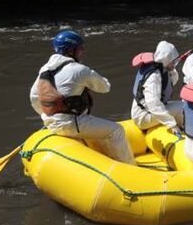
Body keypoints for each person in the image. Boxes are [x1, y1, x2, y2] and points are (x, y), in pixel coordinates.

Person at [30, 29, 135, 165]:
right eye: (80, 48)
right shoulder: (79, 69)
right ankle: (130, 166)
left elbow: (34, 98)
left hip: (50, 122)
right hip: (70, 124)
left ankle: (110, 159)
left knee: (99, 129)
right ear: (70, 50)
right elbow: (105, 88)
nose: (83, 51)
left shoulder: (45, 70)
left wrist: (50, 117)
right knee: (116, 130)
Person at [130, 40, 184, 134]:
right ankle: (182, 131)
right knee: (182, 107)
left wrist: (171, 70)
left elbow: (172, 82)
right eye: (173, 61)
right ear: (167, 59)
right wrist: (172, 124)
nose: (175, 64)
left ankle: (181, 127)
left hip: (146, 111)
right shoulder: (154, 76)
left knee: (179, 104)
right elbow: (153, 104)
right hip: (142, 117)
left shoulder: (160, 67)